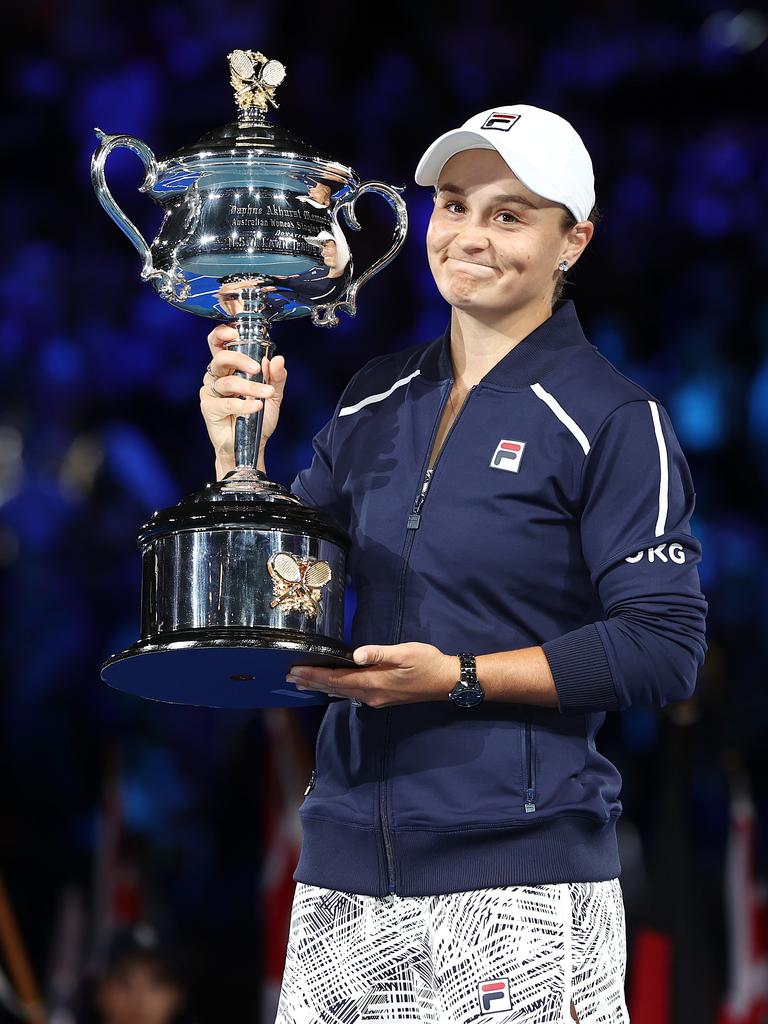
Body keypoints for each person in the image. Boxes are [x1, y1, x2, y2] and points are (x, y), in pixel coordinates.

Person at [199, 104, 708, 1023]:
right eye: (454, 205)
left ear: (573, 242)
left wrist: (459, 679)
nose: (469, 236)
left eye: (510, 215)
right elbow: (290, 603)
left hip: (521, 886)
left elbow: (664, 645)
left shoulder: (614, 420)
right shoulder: (371, 400)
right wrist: (242, 464)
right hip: (344, 875)